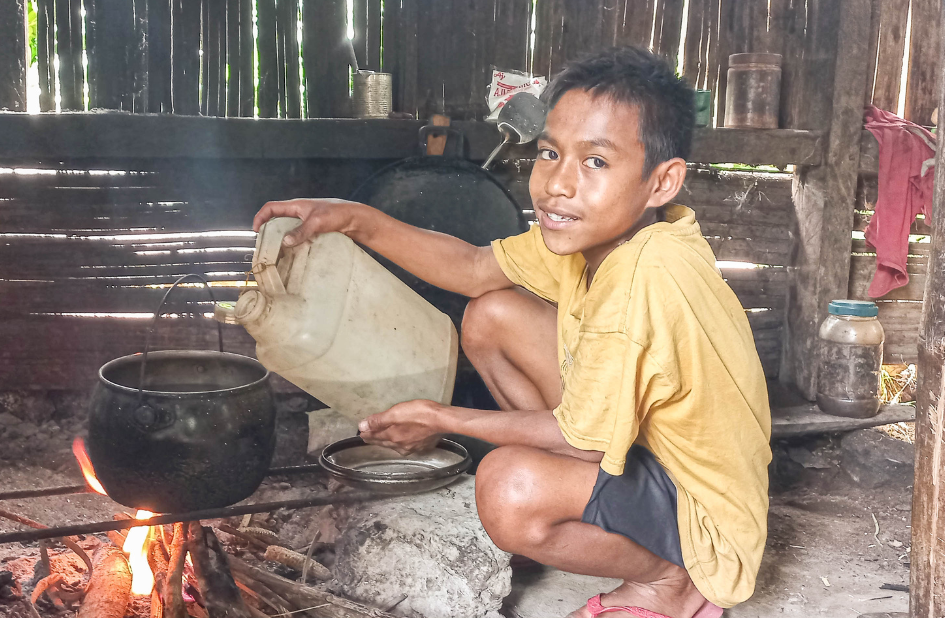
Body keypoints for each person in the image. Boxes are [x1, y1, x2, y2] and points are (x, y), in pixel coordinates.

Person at [252, 47, 770, 618]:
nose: (557, 184)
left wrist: (440, 417)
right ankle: (586, 515)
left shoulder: (644, 279)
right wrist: (351, 217)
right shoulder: (606, 235)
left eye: (596, 162)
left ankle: (668, 578)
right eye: (550, 153)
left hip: (704, 513)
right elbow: (474, 268)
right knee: (492, 316)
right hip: (646, 452)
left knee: (506, 490)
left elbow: (586, 442)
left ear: (662, 181)